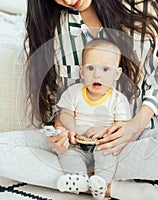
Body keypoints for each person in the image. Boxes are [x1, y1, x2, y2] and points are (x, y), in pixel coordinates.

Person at [0, 0, 158, 199]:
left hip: (125, 144)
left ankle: (81, 179)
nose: (67, 0)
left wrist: (133, 127)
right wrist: (60, 130)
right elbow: (54, 97)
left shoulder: (137, 9)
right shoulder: (57, 23)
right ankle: (103, 185)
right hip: (75, 147)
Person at [55, 38, 132, 199]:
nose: (97, 74)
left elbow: (122, 125)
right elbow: (66, 113)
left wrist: (104, 131)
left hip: (103, 145)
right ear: (82, 71)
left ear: (116, 74)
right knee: (69, 155)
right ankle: (80, 180)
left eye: (105, 69)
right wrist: (71, 129)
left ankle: (101, 183)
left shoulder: (118, 99)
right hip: (77, 145)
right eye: (90, 68)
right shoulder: (74, 92)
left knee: (108, 155)